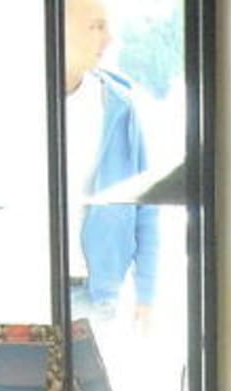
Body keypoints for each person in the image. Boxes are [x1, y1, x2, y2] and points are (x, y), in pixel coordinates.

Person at [63, 0, 160, 333]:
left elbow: (147, 204)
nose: (108, 39)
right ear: (60, 29)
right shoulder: (24, 101)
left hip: (98, 296)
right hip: (33, 287)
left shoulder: (119, 107)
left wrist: (146, 293)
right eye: (96, 26)